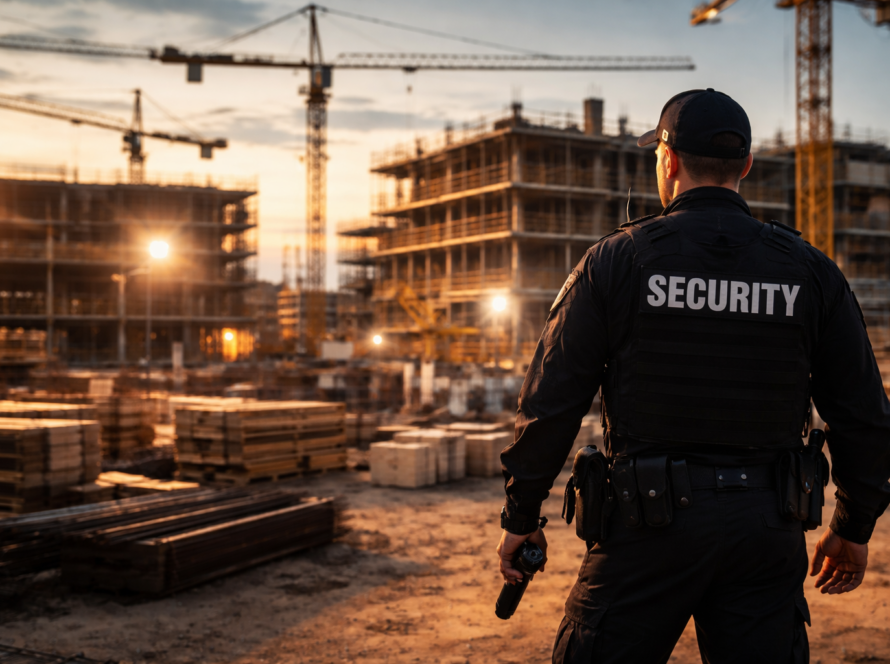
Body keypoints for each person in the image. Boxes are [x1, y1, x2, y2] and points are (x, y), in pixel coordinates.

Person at [496, 88, 890, 663]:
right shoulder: (810, 271)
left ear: (668, 159)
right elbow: (863, 413)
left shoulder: (615, 261)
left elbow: (551, 403)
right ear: (747, 166)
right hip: (766, 531)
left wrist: (522, 516)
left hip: (643, 527)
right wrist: (853, 527)